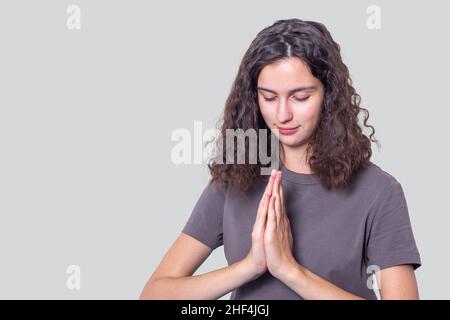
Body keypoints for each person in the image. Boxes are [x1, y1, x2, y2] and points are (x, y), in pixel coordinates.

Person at [139, 18, 422, 300]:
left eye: (300, 97)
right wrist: (251, 266)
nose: (283, 114)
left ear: (329, 96)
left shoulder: (379, 192)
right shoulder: (236, 178)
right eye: (269, 98)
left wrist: (290, 271)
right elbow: (154, 294)